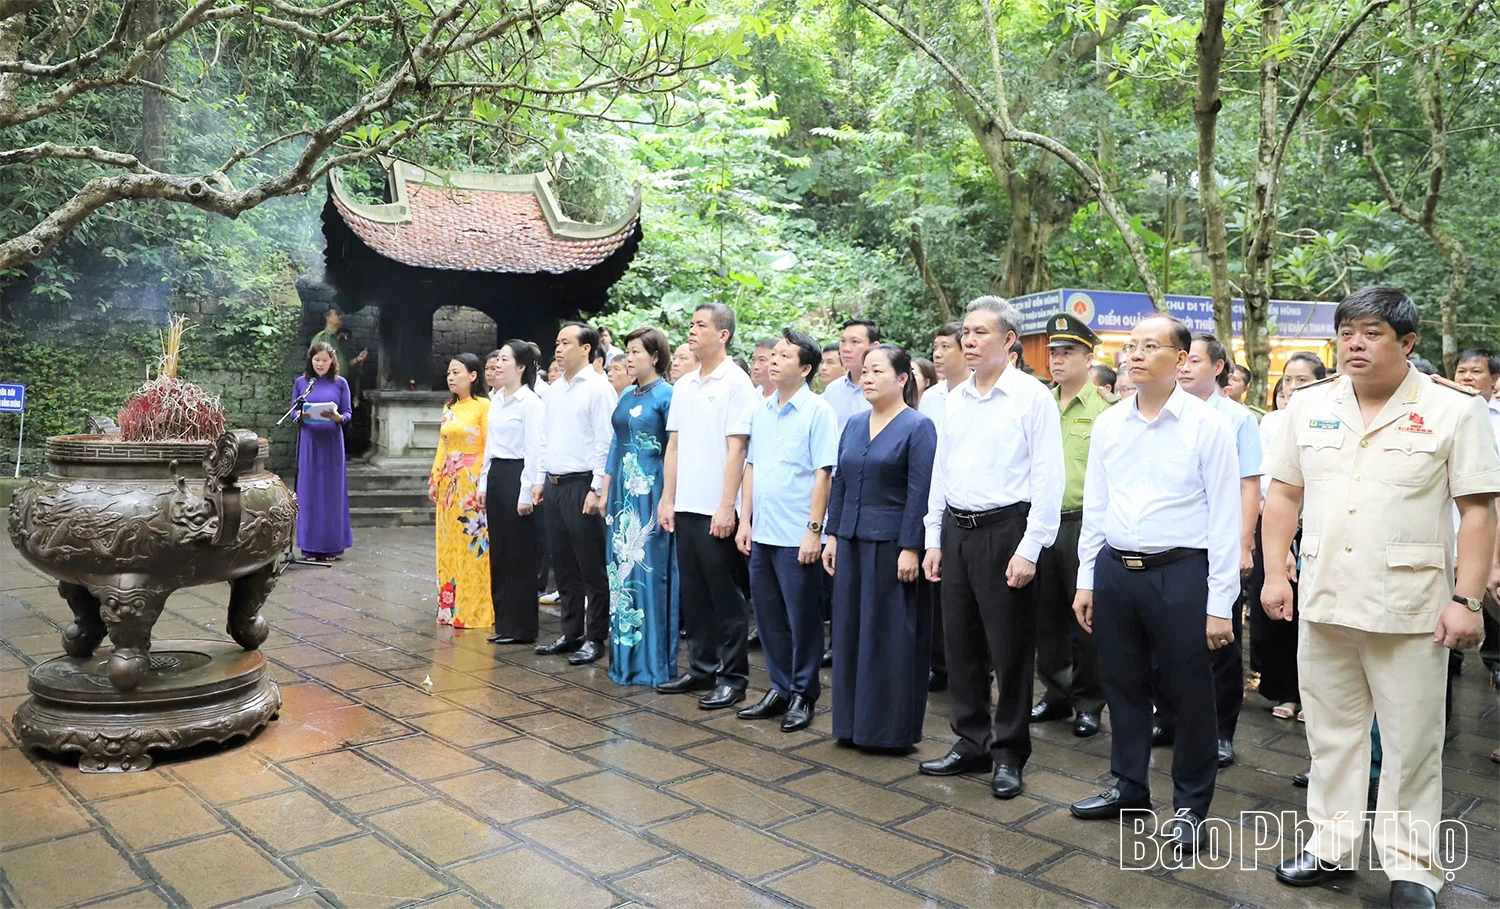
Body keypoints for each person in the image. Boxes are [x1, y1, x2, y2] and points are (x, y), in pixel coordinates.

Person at [1262, 286, 1499, 909]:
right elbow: (1283, 495)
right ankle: (1331, 845)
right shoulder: (1309, 405)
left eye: (1371, 333)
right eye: (1346, 333)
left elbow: (1478, 511)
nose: (1355, 344)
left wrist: (1467, 601)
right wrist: (1274, 574)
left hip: (1411, 608)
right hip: (1324, 599)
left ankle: (1413, 868)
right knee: (1333, 737)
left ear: (1407, 342)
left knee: (1411, 744)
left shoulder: (1454, 410)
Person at [1067, 314, 1241, 855]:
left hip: (1181, 573)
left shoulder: (1207, 426)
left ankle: (1190, 807)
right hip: (1117, 570)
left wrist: (1219, 604)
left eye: (1150, 346)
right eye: (1131, 346)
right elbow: (1096, 505)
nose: (1135, 355)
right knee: (1122, 685)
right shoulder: (1111, 423)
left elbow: (1224, 518)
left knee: (1190, 695)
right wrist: (1086, 579)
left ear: (1181, 359)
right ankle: (1129, 787)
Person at [919, 296, 1064, 799]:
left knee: (1010, 649)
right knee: (960, 644)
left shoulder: (1031, 398)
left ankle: (1008, 751)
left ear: (1009, 341)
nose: (968, 340)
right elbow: (943, 470)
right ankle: (971, 740)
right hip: (957, 529)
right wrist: (932, 536)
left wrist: (1030, 548)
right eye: (966, 332)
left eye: (981, 332)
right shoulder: (952, 399)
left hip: (1008, 530)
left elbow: (1049, 478)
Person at [1154, 332, 1262, 768]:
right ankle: (1168, 718)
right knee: (1163, 641)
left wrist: (1243, 543)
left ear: (1218, 368)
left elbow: (1248, 483)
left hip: (1214, 548)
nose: (1184, 367)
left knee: (1218, 642)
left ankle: (1221, 731)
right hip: (1168, 550)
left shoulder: (1237, 419)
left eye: (1194, 361)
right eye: (1181, 360)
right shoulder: (1157, 412)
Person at [823, 344, 937, 751]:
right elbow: (840, 482)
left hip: (891, 546)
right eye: (865, 372)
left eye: (877, 371)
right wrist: (832, 534)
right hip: (851, 543)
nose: (867, 378)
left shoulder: (918, 426)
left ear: (902, 379)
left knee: (890, 636)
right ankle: (851, 725)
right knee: (851, 633)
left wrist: (911, 547)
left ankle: (889, 731)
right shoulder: (854, 423)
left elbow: (919, 492)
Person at [736, 329, 839, 731]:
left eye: (783, 356)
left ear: (805, 368)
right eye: (772, 354)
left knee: (803, 620)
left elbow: (823, 474)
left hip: (797, 535)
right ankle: (778, 688)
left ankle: (803, 692)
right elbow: (752, 467)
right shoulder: (762, 410)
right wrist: (745, 520)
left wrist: (814, 531)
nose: (773, 360)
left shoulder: (818, 411)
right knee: (768, 618)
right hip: (762, 531)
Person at [658, 303, 758, 709]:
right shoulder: (684, 385)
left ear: (723, 335)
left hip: (718, 508)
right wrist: (668, 498)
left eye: (702, 325)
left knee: (726, 596)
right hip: (686, 504)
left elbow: (738, 449)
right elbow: (675, 445)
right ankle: (700, 669)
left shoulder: (736, 382)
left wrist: (726, 507)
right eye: (692, 324)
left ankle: (733, 677)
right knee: (694, 594)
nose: (692, 330)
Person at [1030, 313, 1114, 738]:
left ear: (1088, 356)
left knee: (1086, 618)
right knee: (1044, 617)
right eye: (1054, 352)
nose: (1058, 360)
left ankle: (1088, 701)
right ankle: (1056, 692)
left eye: (1068, 352)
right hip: (1040, 523)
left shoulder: (1108, 410)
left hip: (1084, 524)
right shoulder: (1038, 402)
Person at [1251, 352, 1328, 721]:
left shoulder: (1328, 419)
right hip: (1278, 527)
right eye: (1288, 380)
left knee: (1308, 618)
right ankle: (1284, 690)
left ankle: (1309, 695)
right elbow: (1269, 485)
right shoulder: (1271, 422)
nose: (1293, 387)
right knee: (1277, 617)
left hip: (1317, 528)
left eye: (1302, 380)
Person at [536, 322, 616, 664]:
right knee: (563, 563)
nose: (558, 348)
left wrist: (597, 487)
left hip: (583, 485)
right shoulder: (554, 390)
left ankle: (596, 637)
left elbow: (606, 441)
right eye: (557, 342)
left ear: (586, 349)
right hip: (554, 486)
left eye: (566, 342)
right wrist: (539, 479)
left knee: (590, 565)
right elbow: (544, 438)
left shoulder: (599, 388)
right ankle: (570, 633)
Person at [603, 328, 678, 686]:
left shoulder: (668, 396)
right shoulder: (626, 395)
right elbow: (615, 446)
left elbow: (675, 451)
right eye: (627, 352)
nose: (628, 358)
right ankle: (624, 661)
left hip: (651, 492)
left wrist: (669, 498)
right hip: (621, 493)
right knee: (619, 574)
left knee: (648, 573)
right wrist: (604, 491)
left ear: (655, 356)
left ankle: (652, 664)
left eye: (635, 352)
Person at [477, 342, 544, 645]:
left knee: (521, 554)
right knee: (500, 552)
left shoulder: (530, 403)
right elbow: (490, 448)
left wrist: (526, 492)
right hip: (498, 475)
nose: (498, 364)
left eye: (505, 360)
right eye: (497, 359)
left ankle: (523, 627)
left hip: (519, 475)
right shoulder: (496, 400)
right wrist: (483, 484)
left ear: (521, 367)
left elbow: (535, 450)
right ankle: (504, 623)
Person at [917, 321, 967, 693]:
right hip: (934, 501)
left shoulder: (977, 393)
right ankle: (940, 664)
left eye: (946, 346)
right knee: (936, 589)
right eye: (935, 346)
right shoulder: (932, 397)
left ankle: (970, 663)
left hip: (970, 506)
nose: (938, 353)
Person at [428, 354, 491, 628]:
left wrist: (484, 484)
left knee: (473, 546)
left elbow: (490, 446)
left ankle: (473, 610)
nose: (451, 377)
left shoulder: (484, 407)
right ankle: (449, 608)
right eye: (449, 373)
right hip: (449, 486)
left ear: (473, 376)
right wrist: (434, 479)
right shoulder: (449, 407)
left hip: (472, 486)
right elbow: (442, 446)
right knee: (448, 545)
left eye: (456, 372)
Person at [1453, 348, 1500, 688]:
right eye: (1462, 371)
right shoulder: (1446, 412)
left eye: (1476, 372)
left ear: (1494, 379)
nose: (1467, 377)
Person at [292, 342, 353, 562]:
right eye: (317, 360)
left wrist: (338, 418)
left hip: (332, 444)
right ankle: (308, 547)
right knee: (309, 492)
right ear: (311, 360)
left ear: (332, 361)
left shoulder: (340, 383)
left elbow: (347, 413)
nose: (320, 364)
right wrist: (299, 416)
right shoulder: (302, 383)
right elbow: (293, 411)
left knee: (331, 494)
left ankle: (332, 547)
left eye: (325, 360)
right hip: (309, 443)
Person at [823, 319, 878, 432]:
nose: (846, 349)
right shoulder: (833, 389)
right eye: (843, 341)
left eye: (855, 342)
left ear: (874, 347)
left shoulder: (884, 389)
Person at [311, 307, 368, 395]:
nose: (340, 317)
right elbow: (313, 363)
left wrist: (358, 359)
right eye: (337, 314)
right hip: (327, 386)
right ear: (328, 318)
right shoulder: (320, 338)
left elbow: (347, 363)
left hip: (341, 386)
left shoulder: (342, 341)